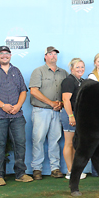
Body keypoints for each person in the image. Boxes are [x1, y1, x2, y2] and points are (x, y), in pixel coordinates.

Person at [0, 46, 33, 186]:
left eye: (7, 53)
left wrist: (18, 106)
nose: (4, 56)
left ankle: (20, 173)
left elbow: (23, 91)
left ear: (10, 55)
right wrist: (3, 105)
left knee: (20, 143)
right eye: (1, 54)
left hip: (16, 115)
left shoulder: (16, 71)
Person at [29, 46, 68, 180]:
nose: (53, 56)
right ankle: (37, 169)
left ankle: (55, 168)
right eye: (50, 54)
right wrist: (51, 103)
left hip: (57, 111)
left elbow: (67, 92)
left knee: (55, 140)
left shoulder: (63, 73)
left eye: (55, 54)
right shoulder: (38, 71)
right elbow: (34, 91)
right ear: (45, 56)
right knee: (38, 139)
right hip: (41, 110)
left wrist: (61, 104)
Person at [60, 58, 87, 180]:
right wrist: (71, 116)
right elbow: (66, 100)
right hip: (70, 114)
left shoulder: (82, 81)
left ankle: (76, 170)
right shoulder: (68, 81)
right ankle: (70, 171)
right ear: (71, 69)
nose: (80, 69)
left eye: (82, 67)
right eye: (77, 67)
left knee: (77, 143)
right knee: (69, 143)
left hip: (80, 115)